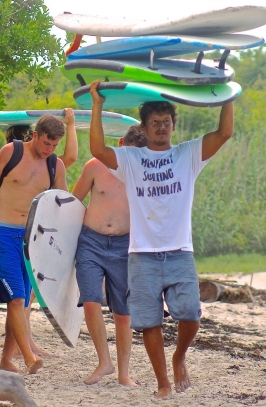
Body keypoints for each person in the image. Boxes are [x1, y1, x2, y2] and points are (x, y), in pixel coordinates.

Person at [87, 80, 235, 399]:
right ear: (144, 127)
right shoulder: (131, 160)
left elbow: (223, 134)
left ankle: (179, 356)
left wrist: (228, 94)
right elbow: (97, 150)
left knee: (191, 314)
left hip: (180, 250)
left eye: (166, 122)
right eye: (154, 123)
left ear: (173, 125)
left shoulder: (188, 154)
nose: (161, 128)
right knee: (148, 322)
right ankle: (162, 382)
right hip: (142, 254)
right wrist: (97, 104)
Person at [0, 111, 70, 374]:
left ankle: (6, 360)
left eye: (55, 145)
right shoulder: (10, 152)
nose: (49, 149)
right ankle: (28, 358)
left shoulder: (55, 165)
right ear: (35, 135)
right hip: (1, 231)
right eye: (46, 143)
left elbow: (61, 203)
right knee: (16, 298)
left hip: (31, 238)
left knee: (22, 302)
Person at [71, 124, 146, 386]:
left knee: (123, 312)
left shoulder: (146, 173)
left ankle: (124, 373)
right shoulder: (95, 165)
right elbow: (72, 201)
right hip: (91, 240)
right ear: (120, 144)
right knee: (90, 300)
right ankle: (104, 362)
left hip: (125, 245)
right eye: (128, 153)